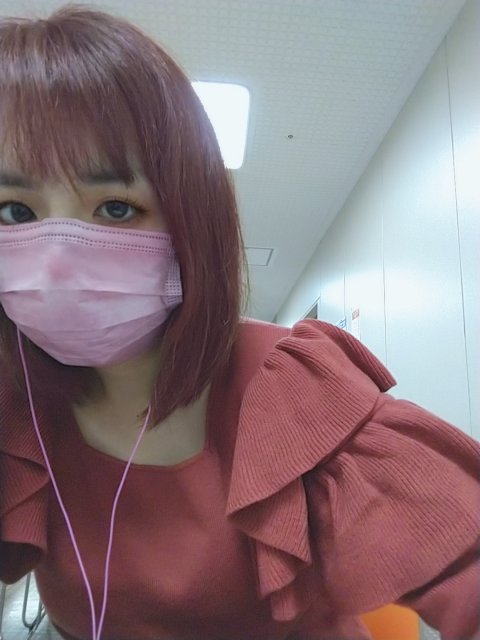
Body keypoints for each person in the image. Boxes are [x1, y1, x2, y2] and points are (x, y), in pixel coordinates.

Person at [0, 5, 478, 640]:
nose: (58, 261)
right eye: (14, 210)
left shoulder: (293, 388)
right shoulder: (16, 401)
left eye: (116, 207)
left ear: (190, 225)